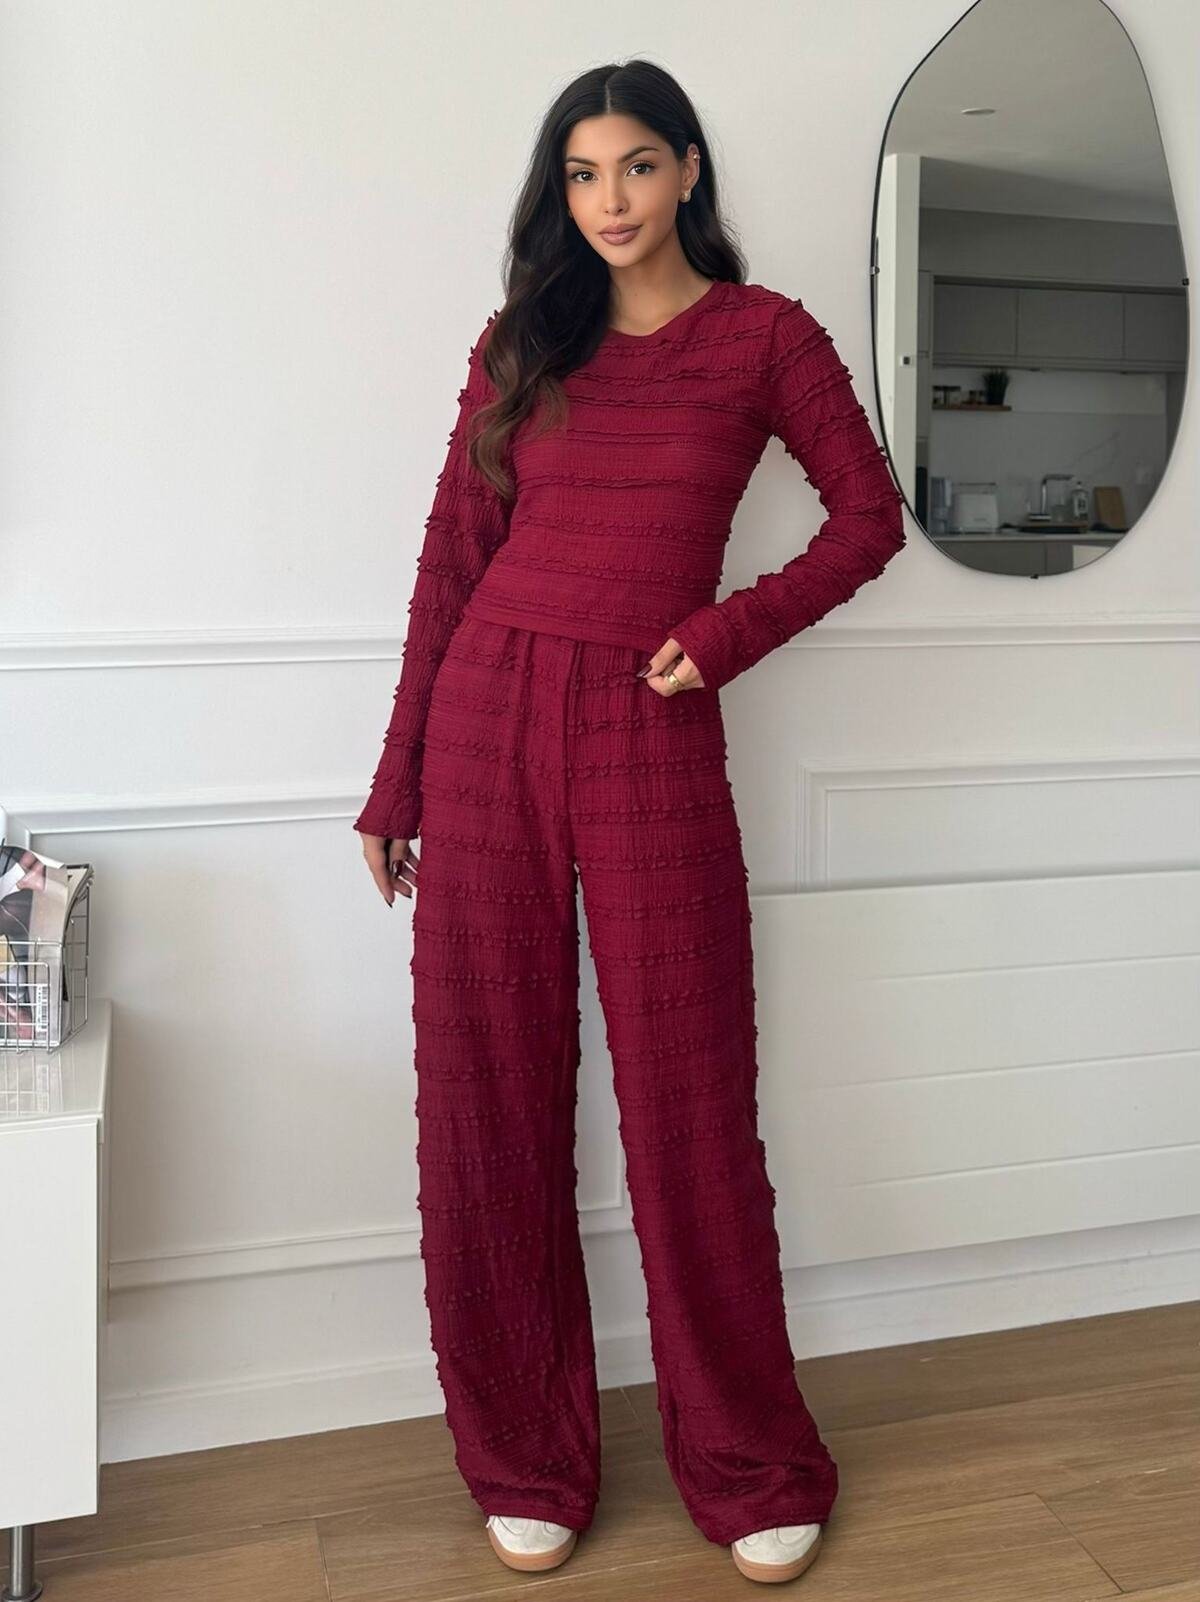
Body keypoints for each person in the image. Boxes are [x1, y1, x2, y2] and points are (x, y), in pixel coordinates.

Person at [354, 59, 905, 1588]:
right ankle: (524, 1452)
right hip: (488, 721)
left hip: (650, 723)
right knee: (489, 1093)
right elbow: (451, 561)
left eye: (638, 166)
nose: (610, 200)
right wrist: (399, 780)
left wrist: (723, 635)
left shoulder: (765, 336)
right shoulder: (523, 343)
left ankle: (748, 1458)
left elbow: (870, 517)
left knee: (689, 1103)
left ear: (688, 172)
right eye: (583, 173)